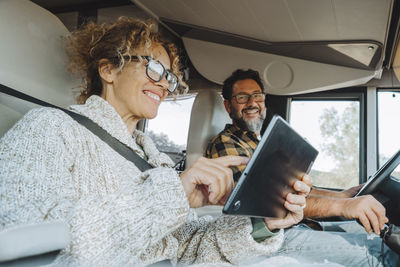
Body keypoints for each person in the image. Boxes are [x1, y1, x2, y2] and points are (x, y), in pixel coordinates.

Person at [0, 18, 313, 266]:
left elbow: (187, 246)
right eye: (154, 68)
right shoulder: (50, 127)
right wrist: (169, 195)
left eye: (169, 77)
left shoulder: (155, 161)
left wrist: (263, 225)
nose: (164, 83)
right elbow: (21, 235)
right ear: (108, 69)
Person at [205, 68, 399, 266]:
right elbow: (263, 204)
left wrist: (343, 195)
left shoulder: (263, 143)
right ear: (228, 106)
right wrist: (342, 206)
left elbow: (294, 191)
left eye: (257, 96)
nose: (252, 103)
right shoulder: (226, 143)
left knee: (379, 232)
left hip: (299, 225)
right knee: (380, 252)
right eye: (242, 97)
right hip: (273, 237)